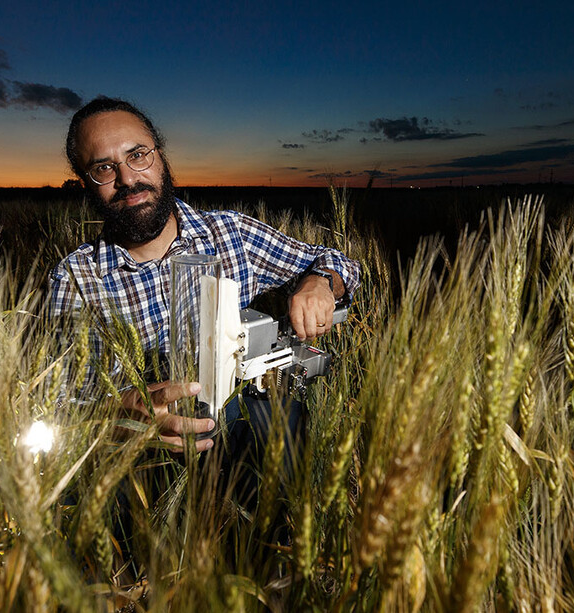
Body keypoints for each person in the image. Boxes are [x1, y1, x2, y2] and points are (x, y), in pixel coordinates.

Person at [49, 96, 360, 454]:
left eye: (138, 155)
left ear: (161, 156)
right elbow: (64, 404)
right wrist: (114, 417)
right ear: (84, 182)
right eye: (103, 168)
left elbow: (338, 262)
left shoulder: (232, 234)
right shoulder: (76, 279)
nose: (127, 179)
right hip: (149, 462)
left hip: (248, 438)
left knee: (278, 426)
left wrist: (319, 282)